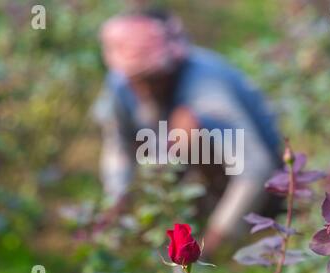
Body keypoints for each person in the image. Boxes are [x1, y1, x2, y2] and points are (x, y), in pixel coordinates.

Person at [92, 9, 282, 254]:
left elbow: (256, 168)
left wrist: (215, 238)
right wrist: (116, 200)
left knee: (187, 128)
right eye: (137, 81)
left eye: (153, 79)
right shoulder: (120, 84)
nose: (145, 90)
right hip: (172, 166)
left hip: (264, 187)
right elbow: (118, 145)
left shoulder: (205, 85)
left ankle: (217, 226)